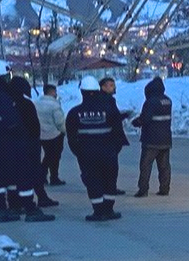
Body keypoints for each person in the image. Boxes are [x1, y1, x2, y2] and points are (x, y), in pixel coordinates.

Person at [67, 75, 125, 221]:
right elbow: (118, 132)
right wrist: (114, 150)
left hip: (87, 155)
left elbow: (72, 138)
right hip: (108, 153)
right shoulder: (109, 109)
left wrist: (79, 153)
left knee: (93, 181)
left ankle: (98, 211)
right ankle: (109, 210)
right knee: (110, 180)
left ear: (82, 92)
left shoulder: (74, 113)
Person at [8, 76, 58, 218]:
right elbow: (34, 127)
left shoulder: (6, 103)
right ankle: (33, 204)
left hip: (9, 146)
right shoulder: (26, 105)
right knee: (31, 175)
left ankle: (14, 204)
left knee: (13, 177)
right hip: (28, 145)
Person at [131, 77, 173, 197]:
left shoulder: (150, 102)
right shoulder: (167, 100)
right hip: (166, 139)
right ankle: (165, 189)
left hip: (151, 139)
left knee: (145, 165)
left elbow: (145, 119)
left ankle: (143, 190)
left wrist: (136, 122)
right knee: (164, 166)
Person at [99, 76, 130, 195]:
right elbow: (111, 117)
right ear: (103, 87)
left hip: (107, 138)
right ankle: (109, 187)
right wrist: (122, 116)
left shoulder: (105, 99)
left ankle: (106, 186)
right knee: (111, 166)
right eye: (111, 85)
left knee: (107, 165)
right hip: (111, 137)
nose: (114, 88)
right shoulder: (107, 100)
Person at [35, 84, 66, 186]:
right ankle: (53, 177)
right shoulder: (55, 105)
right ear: (52, 92)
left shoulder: (36, 103)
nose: (56, 94)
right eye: (55, 91)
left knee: (47, 156)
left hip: (41, 134)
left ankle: (42, 176)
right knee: (54, 157)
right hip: (54, 134)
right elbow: (60, 122)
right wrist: (64, 131)